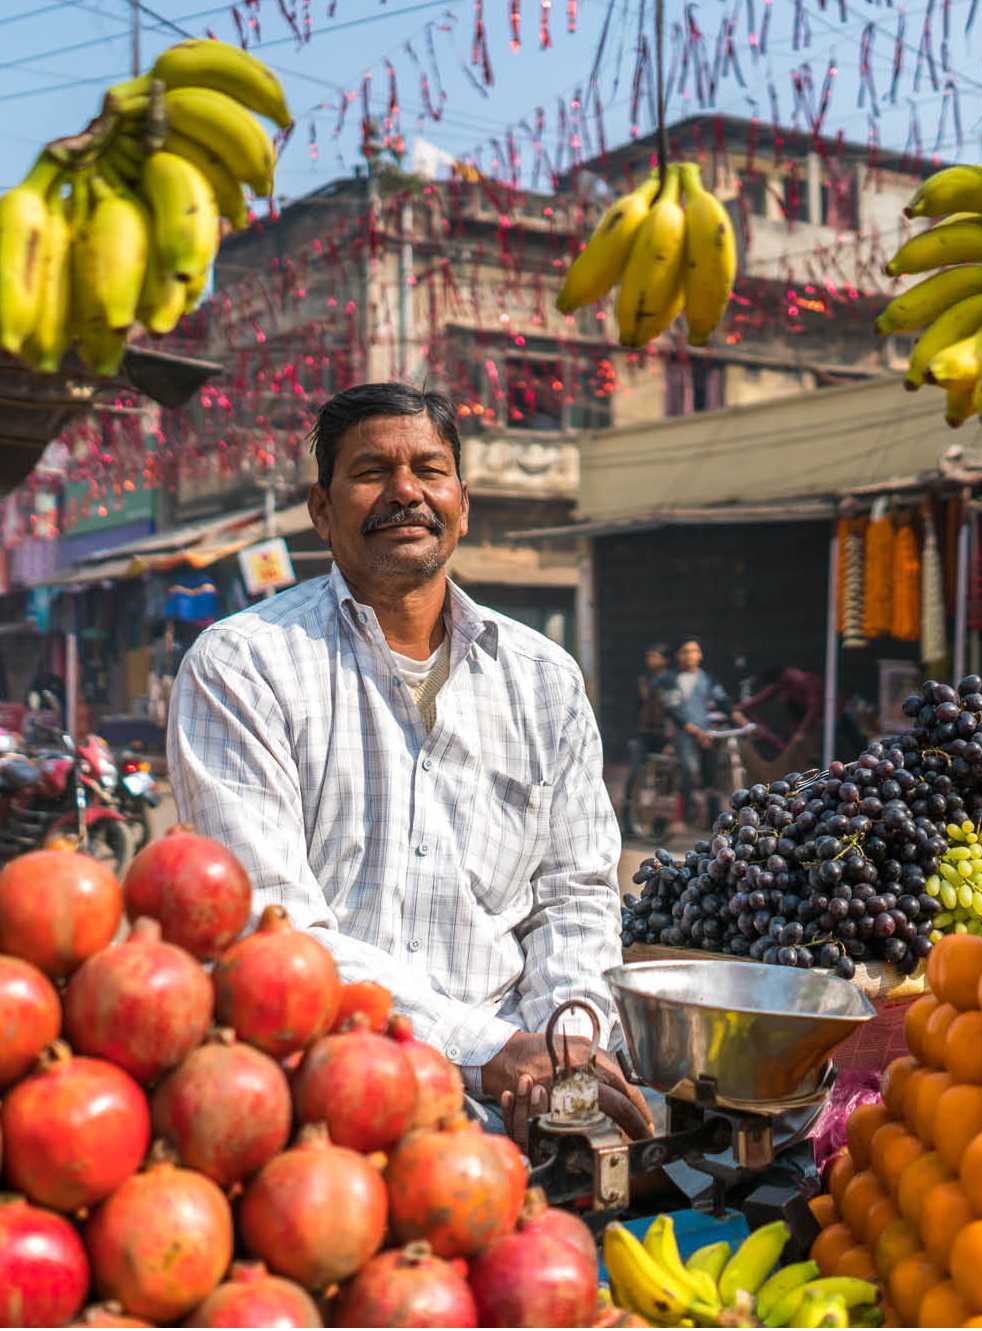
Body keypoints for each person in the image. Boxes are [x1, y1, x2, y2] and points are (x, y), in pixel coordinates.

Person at [168, 382, 650, 1147]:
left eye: (429, 469)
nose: (405, 492)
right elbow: (271, 924)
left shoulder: (543, 678)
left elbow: (575, 898)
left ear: (463, 501)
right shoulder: (242, 665)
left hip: (519, 1107)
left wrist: (569, 1043)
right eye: (371, 472)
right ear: (321, 510)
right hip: (316, 1109)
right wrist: (486, 1049)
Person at [659, 637, 736, 828]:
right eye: (685, 652)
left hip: (707, 733)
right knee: (689, 771)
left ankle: (713, 819)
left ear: (700, 655)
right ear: (678, 656)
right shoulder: (670, 679)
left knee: (712, 774)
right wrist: (695, 732)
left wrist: (739, 717)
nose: (690, 656)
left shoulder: (707, 679)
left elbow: (722, 700)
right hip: (683, 733)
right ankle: (685, 816)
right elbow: (673, 710)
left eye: (694, 651)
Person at [621, 643, 670, 838]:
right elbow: (635, 708)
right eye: (649, 656)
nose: (651, 660)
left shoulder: (671, 681)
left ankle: (660, 824)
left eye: (655, 656)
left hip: (664, 736)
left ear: (665, 660)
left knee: (664, 782)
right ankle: (628, 822)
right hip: (643, 735)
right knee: (634, 775)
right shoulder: (643, 681)